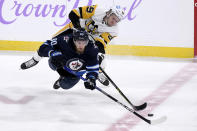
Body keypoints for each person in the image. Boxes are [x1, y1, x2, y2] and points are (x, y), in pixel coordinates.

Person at [20, 4, 125, 86]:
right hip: (74, 29)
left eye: (117, 20)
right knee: (53, 42)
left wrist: (99, 55)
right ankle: (35, 59)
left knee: (99, 58)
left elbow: (101, 43)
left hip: (90, 39)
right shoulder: (96, 10)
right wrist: (78, 27)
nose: (114, 22)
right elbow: (73, 14)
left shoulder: (114, 31)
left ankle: (99, 73)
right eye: (113, 18)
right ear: (109, 13)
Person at [21, 29, 99, 90]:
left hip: (75, 73)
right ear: (74, 40)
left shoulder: (92, 49)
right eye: (79, 42)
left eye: (84, 42)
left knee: (65, 86)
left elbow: (93, 67)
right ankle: (34, 60)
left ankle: (61, 80)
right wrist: (52, 53)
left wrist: (91, 79)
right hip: (61, 64)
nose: (81, 46)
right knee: (53, 62)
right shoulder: (64, 40)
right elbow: (45, 46)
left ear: (87, 41)